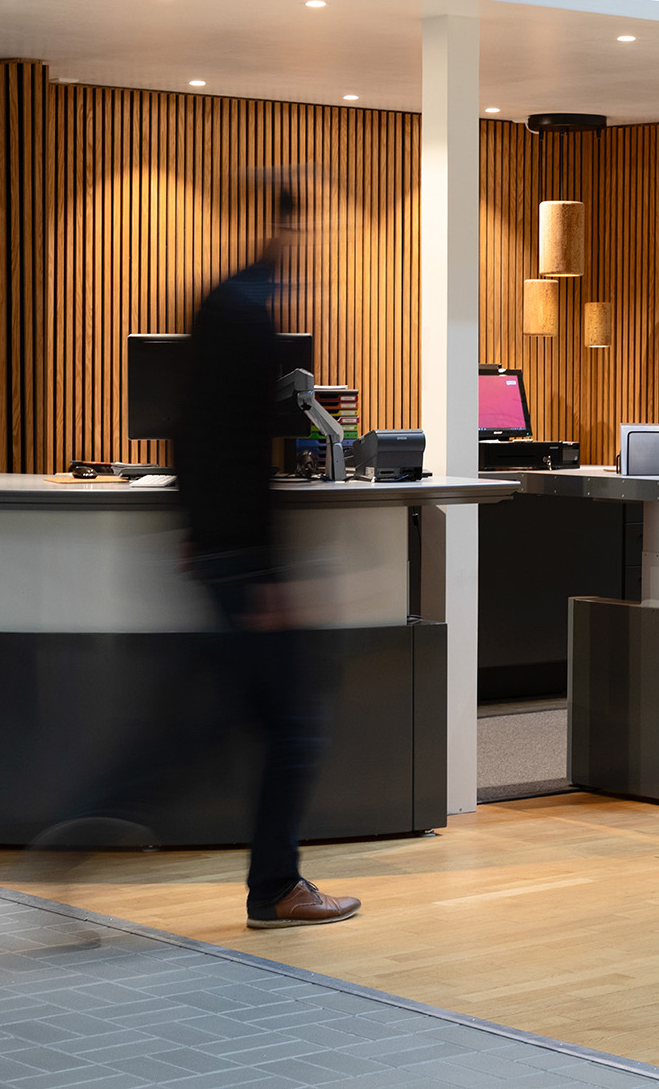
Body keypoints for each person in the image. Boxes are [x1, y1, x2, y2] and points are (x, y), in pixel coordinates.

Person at [174, 188, 360, 930]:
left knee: (222, 723)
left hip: (224, 548)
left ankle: (87, 826)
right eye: (303, 226)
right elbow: (240, 448)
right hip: (246, 560)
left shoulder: (222, 302)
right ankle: (276, 886)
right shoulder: (246, 312)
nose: (310, 242)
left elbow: (193, 429)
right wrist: (266, 574)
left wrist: (197, 529)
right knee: (291, 726)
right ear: (277, 225)